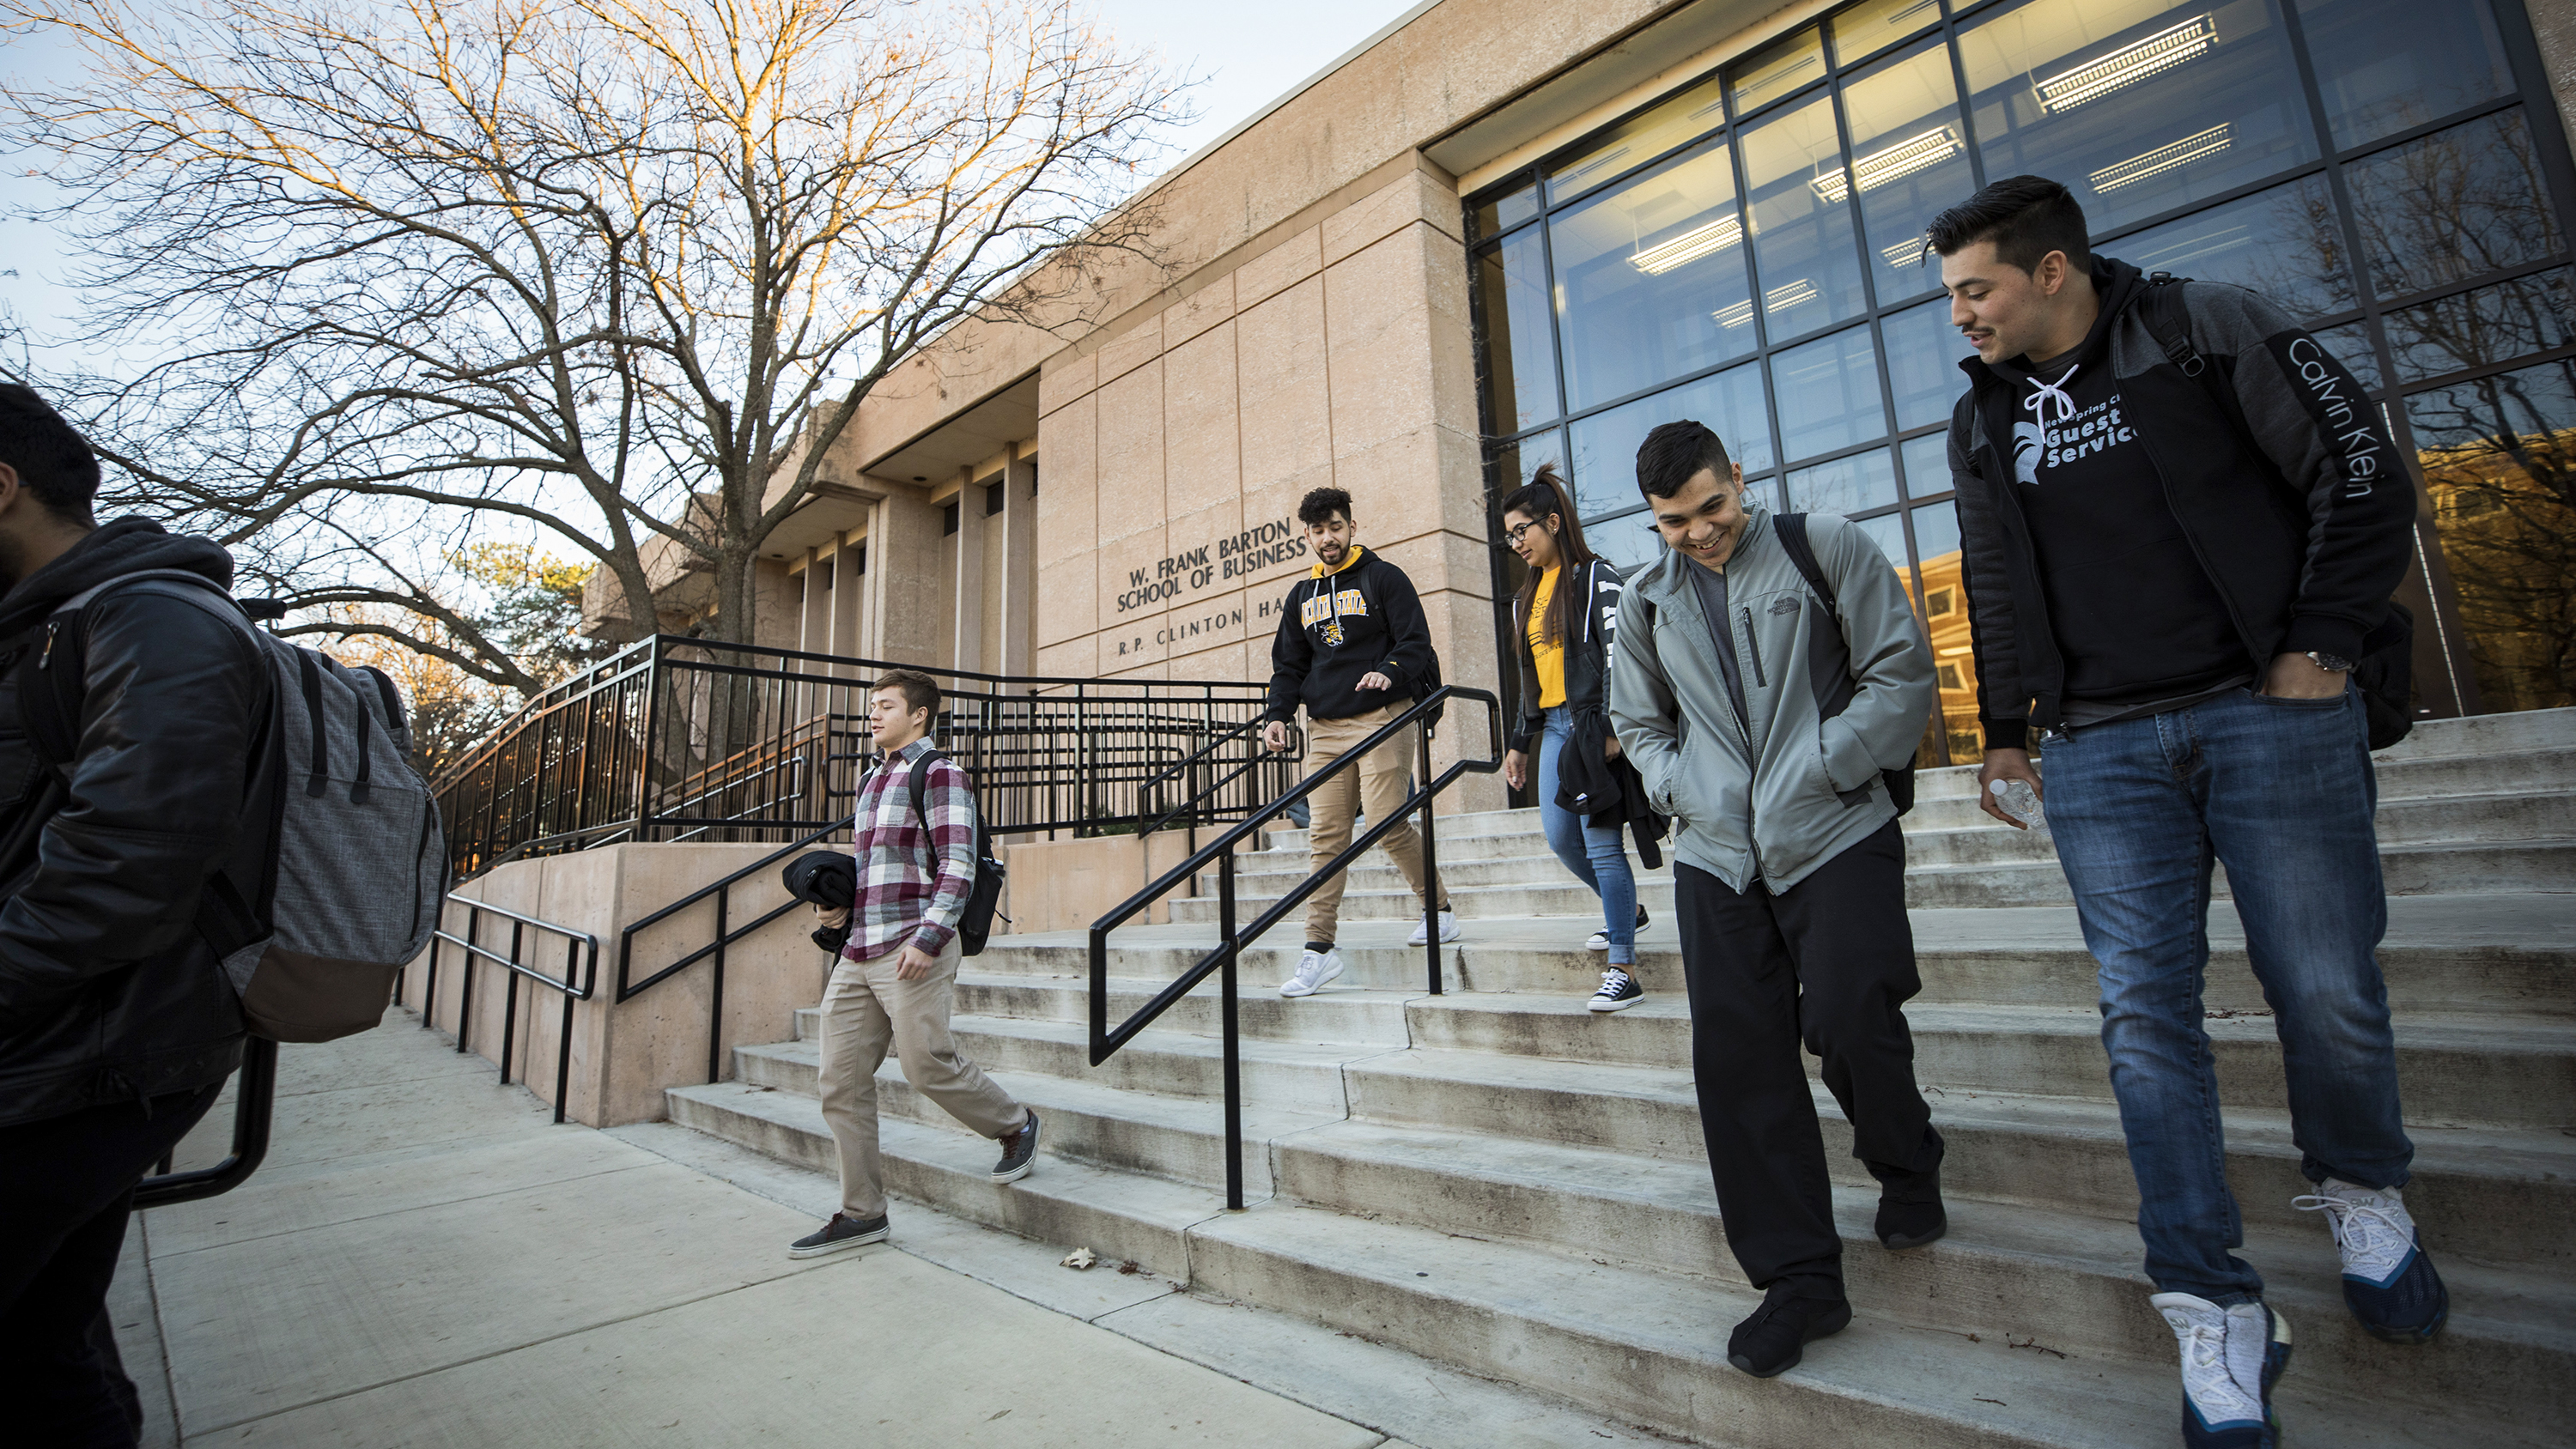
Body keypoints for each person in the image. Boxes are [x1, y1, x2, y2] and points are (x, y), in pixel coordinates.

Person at [1932, 176, 2435, 1447]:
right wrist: (2002, 729)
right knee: (2144, 1023)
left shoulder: (2209, 325)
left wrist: (2319, 646)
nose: (1961, 318)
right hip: (2099, 750)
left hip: (2266, 712)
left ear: (2053, 272)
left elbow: (2365, 474)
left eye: (1974, 290)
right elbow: (1993, 580)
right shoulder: (1980, 416)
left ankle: (2362, 1188)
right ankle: (2213, 1301)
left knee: (2320, 981)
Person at [1607, 419, 1944, 1380]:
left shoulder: (1822, 545)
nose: (1700, 531)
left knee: (1849, 1015)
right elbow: (1636, 721)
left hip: (1834, 826)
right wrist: (1688, 789)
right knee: (1740, 1061)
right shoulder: (1645, 602)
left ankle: (1907, 1157)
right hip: (1717, 854)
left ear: (1738, 480)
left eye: (1712, 507)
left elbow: (1899, 671)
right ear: (1653, 518)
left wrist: (1830, 764)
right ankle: (1800, 1279)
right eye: (1674, 520)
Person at [0, 384, 281, 1448]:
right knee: (42, 1353)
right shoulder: (62, 630)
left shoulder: (153, 621)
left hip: (92, 1057)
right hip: (67, 1048)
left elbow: (123, 875)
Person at [792, 669, 1037, 1258]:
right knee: (840, 1082)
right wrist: (837, 912)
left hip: (914, 946)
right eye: (871, 705)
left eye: (885, 705)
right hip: (861, 949)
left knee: (925, 1065)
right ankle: (862, 1212)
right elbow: (874, 867)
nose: (872, 715)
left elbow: (958, 863)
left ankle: (1013, 1123)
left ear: (919, 714)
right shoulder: (870, 779)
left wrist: (930, 937)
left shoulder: (939, 773)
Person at [1261, 486, 1456, 997]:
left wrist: (1388, 673)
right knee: (1325, 838)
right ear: (1307, 535)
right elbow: (1289, 666)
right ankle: (1318, 950)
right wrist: (1277, 715)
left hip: (1382, 717)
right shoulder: (1300, 597)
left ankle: (1438, 910)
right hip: (1324, 728)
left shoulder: (1383, 577)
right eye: (1318, 531)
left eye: (1336, 528)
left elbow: (1415, 641)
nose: (1328, 538)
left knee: (1388, 822)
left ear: (1352, 527)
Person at [1498, 464, 1650, 1010]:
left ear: (1554, 523)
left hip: (1592, 725)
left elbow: (1620, 656)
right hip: (1555, 730)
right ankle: (1625, 912)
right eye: (1509, 534)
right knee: (1562, 838)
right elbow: (1530, 679)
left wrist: (1613, 728)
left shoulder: (1595, 578)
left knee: (1603, 845)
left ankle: (1624, 967)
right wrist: (1519, 741)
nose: (1516, 542)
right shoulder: (1525, 598)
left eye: (1523, 530)